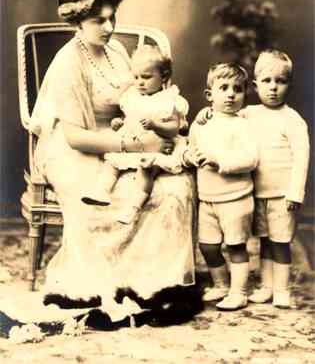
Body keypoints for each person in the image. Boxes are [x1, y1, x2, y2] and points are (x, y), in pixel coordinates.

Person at [29, 0, 195, 322]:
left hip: (126, 137)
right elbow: (75, 136)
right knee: (106, 197)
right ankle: (110, 285)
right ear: (77, 21)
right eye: (98, 21)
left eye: (111, 17)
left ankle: (156, 284)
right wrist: (130, 146)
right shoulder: (67, 63)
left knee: (176, 185)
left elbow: (137, 98)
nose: (109, 27)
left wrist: (148, 133)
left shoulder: (117, 50)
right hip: (80, 148)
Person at [82, 44, 189, 225]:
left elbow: (174, 128)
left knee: (145, 170)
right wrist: (120, 123)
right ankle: (102, 191)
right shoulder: (132, 97)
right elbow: (130, 118)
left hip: (157, 147)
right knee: (112, 162)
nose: (140, 82)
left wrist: (156, 125)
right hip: (133, 141)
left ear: (164, 76)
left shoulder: (168, 100)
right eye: (136, 77)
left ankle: (133, 207)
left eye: (146, 77)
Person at [183, 63, 258, 310]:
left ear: (244, 95)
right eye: (223, 88)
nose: (230, 94)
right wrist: (191, 157)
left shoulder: (243, 124)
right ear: (209, 95)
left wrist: (220, 161)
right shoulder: (201, 123)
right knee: (208, 245)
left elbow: (250, 159)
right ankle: (221, 284)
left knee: (235, 245)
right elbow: (190, 148)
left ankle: (239, 292)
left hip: (235, 198)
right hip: (207, 198)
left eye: (237, 89)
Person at [241, 50, 310, 308]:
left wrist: (295, 193)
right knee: (263, 241)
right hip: (256, 191)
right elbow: (223, 118)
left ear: (288, 85)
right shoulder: (248, 113)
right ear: (256, 85)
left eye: (280, 81)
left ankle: (281, 289)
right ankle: (266, 286)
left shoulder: (293, 120)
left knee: (280, 242)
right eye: (267, 81)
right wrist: (207, 116)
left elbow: (302, 158)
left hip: (282, 195)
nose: (273, 88)